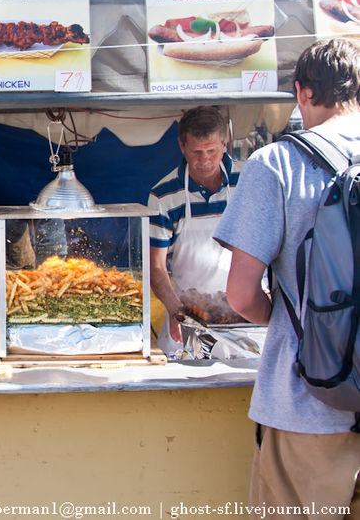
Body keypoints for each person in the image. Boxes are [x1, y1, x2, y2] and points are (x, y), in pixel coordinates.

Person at [214, 38, 360, 513]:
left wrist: (289, 319)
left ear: (301, 93)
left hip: (308, 404)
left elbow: (240, 294)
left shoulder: (277, 164)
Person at [147, 105, 241, 355]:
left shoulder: (248, 181)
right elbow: (155, 266)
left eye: (212, 151)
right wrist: (174, 308)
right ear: (182, 147)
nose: (205, 161)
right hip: (188, 313)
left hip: (244, 313)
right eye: (197, 152)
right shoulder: (164, 195)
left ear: (225, 143)